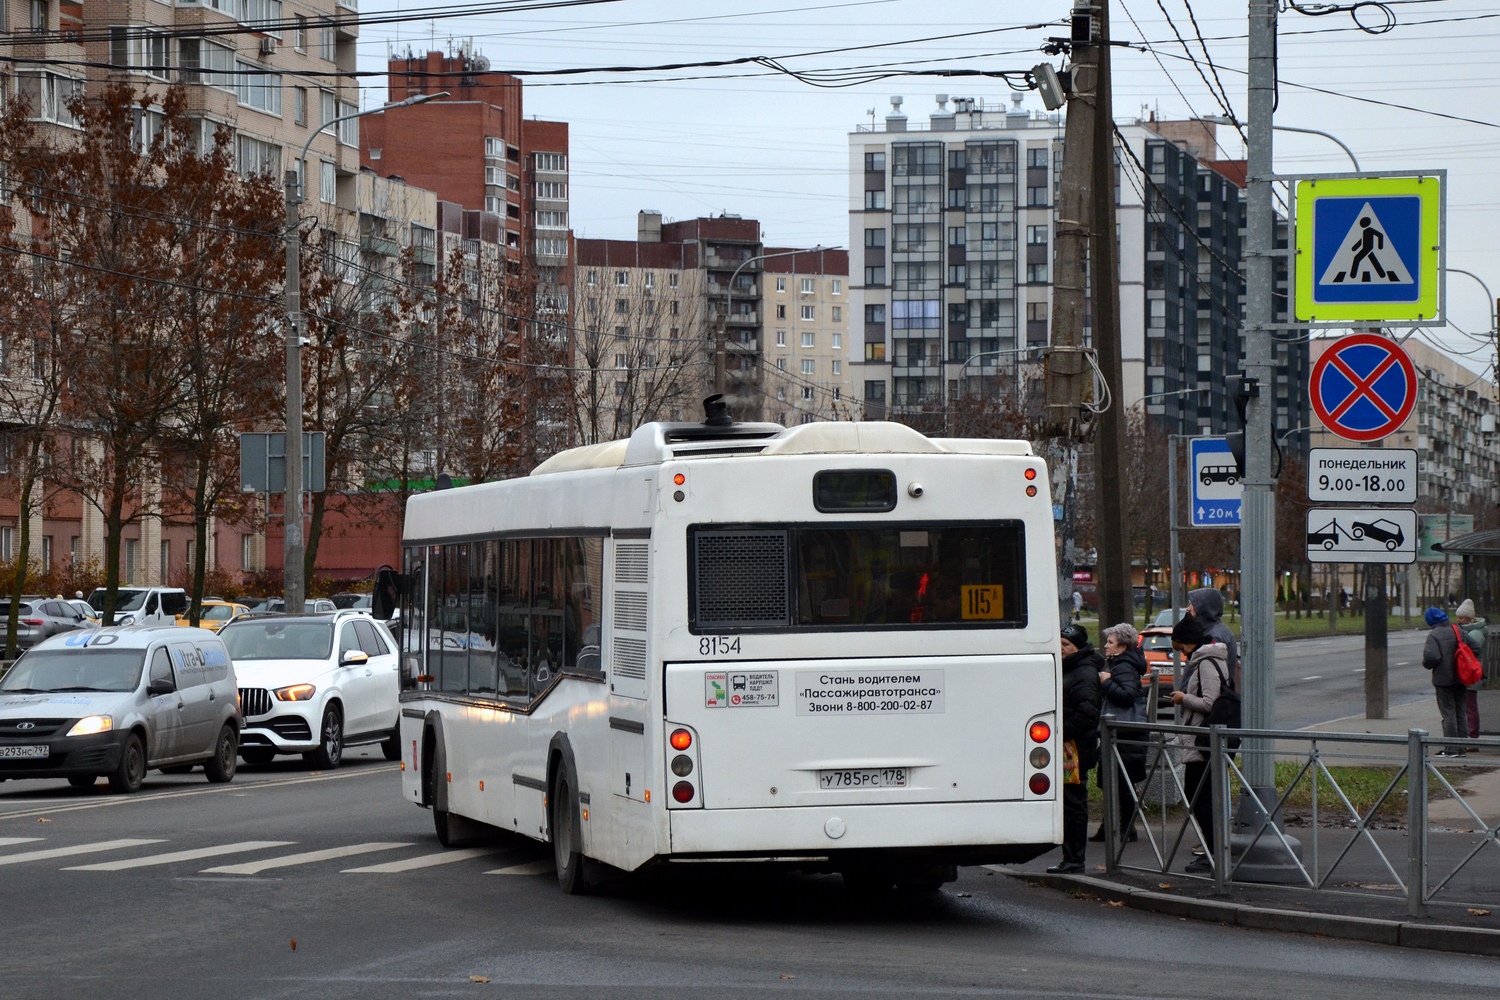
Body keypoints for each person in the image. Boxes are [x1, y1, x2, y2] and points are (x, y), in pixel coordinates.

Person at [1169, 613, 1229, 875]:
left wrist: (1183, 699)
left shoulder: (1206, 663)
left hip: (1203, 740)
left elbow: (1209, 702)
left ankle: (1214, 854)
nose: (1181, 654)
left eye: (1180, 647)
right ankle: (1213, 852)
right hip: (1201, 740)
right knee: (1199, 797)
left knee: (1201, 798)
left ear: (1190, 642)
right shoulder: (1204, 660)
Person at [1047, 623, 1102, 874]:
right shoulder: (1069, 668)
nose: (1061, 648)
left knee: (1073, 804)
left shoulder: (1083, 673)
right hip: (1068, 746)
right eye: (1058, 643)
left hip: (1074, 749)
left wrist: (1059, 732)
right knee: (1069, 802)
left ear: (1078, 648)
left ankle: (1075, 860)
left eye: (1066, 645)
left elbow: (1087, 716)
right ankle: (1070, 857)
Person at [1090, 623, 1147, 844]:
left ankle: (1123, 829)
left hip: (1123, 733)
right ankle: (1115, 827)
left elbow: (1126, 695)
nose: (1105, 645)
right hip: (1123, 733)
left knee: (1120, 783)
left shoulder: (1122, 666)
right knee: (1115, 781)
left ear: (1122, 646)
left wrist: (1106, 683)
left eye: (1110, 642)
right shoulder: (1124, 663)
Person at [1424, 606, 1482, 757]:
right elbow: (1475, 647)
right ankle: (1462, 748)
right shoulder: (1458, 631)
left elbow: (1432, 657)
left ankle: (1451, 749)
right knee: (1461, 713)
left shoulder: (1434, 636)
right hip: (1461, 678)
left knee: (1448, 714)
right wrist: (1463, 661)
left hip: (1443, 680)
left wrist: (1429, 665)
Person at [1188, 586, 1239, 687]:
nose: (1188, 608)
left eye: (1192, 604)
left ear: (1202, 607)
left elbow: (1211, 682)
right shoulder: (1212, 630)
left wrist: (1185, 698)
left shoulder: (1214, 637)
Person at [1455, 599, 1487, 739]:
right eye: (1458, 617)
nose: (1459, 620)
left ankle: (1472, 736)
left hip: (1471, 674)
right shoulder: (1469, 631)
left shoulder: (1475, 634)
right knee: (1467, 705)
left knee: (1469, 706)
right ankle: (1469, 735)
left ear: (1470, 618)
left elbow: (1469, 654)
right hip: (1469, 674)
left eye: (1461, 618)